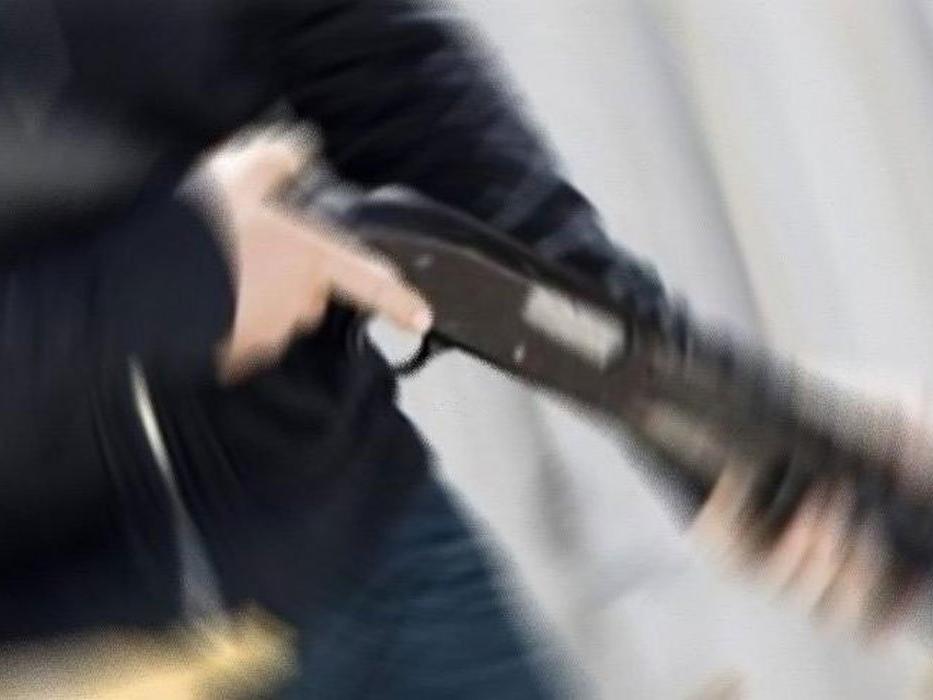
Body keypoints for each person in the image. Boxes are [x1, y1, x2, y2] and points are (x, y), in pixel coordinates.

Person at [0, 0, 907, 696]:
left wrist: (682, 405)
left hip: (367, 559)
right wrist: (172, 281)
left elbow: (374, 69)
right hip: (52, 659)